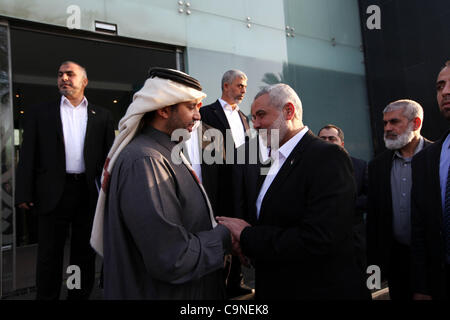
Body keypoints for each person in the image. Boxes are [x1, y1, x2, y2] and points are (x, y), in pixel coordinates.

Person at [217, 84, 370, 300]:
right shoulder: (273, 160)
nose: (256, 125)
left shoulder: (328, 157)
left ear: (289, 111)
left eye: (261, 115)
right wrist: (243, 244)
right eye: (253, 118)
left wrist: (247, 235)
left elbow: (319, 239)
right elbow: (274, 221)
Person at [90, 68, 232, 299]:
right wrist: (224, 236)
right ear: (164, 109)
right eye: (191, 107)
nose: (198, 116)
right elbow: (173, 258)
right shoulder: (146, 161)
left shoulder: (163, 150)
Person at [15, 61, 115, 300]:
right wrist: (23, 193)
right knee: (50, 254)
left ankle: (77, 296)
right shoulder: (41, 112)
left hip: (86, 193)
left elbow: (108, 158)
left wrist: (109, 193)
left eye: (70, 74)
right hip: (50, 193)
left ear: (84, 81)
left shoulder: (101, 115)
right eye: (60, 74)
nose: (64, 78)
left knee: (83, 253)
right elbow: (27, 155)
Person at [367, 99, 432, 300]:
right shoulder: (378, 166)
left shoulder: (439, 157)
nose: (387, 128)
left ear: (416, 123)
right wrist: (373, 278)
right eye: (385, 123)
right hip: (396, 264)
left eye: (394, 122)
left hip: (434, 261)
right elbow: (374, 224)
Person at [200, 69, 252, 298]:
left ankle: (235, 282)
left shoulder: (244, 117)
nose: (243, 90)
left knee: (238, 229)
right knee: (219, 232)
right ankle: (216, 285)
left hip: (240, 184)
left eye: (245, 87)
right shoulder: (206, 113)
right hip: (218, 184)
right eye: (240, 85)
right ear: (226, 86)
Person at [411, 60, 450, 300]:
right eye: (439, 86)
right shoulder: (427, 159)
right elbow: (420, 229)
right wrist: (422, 288)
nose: (445, 92)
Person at [318, 124, 369, 272]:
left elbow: (371, 197)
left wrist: (347, 204)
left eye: (332, 138)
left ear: (341, 143)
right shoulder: (308, 167)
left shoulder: (360, 166)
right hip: (321, 239)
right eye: (323, 138)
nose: (327, 141)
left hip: (353, 239)